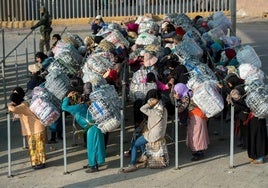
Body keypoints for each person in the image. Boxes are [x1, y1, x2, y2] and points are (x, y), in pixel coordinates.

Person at [123, 89, 168, 172]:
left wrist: (149, 103)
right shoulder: (164, 109)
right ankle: (144, 157)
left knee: (134, 144)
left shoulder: (155, 111)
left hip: (153, 135)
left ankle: (132, 164)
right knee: (141, 136)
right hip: (160, 133)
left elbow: (142, 108)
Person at [61, 90, 106, 173]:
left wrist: (67, 98)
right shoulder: (81, 106)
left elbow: (64, 107)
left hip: (92, 128)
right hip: (94, 127)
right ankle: (93, 163)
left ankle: (93, 166)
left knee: (92, 148)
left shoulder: (78, 107)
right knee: (95, 146)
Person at [8, 87, 46, 170]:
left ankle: (39, 162)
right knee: (35, 146)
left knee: (36, 146)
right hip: (35, 128)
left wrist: (11, 104)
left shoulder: (23, 105)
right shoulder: (26, 102)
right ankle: (37, 162)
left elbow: (13, 109)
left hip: (36, 128)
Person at [228, 85, 268, 164]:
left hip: (253, 119)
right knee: (259, 136)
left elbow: (237, 108)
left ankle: (258, 157)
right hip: (259, 116)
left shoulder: (242, 97)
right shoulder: (254, 89)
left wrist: (231, 102)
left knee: (255, 137)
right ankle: (258, 156)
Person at [171, 83, 209, 161]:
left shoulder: (186, 97)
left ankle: (198, 153)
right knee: (197, 134)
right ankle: (198, 151)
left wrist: (177, 100)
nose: (176, 93)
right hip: (198, 115)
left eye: (176, 91)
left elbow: (180, 109)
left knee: (195, 135)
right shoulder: (190, 92)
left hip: (195, 117)